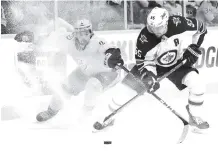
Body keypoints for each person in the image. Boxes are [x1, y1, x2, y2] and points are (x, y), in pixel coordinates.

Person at [95, 7, 209, 131]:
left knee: (197, 83)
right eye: (152, 27)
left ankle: (195, 115)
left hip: (177, 63)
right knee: (126, 91)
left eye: (159, 27)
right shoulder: (144, 37)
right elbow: (142, 62)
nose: (155, 30)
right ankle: (108, 117)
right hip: (152, 65)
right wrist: (149, 77)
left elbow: (201, 29)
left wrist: (194, 47)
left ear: (166, 22)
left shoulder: (179, 23)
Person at [35, 19, 124, 122]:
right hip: (85, 72)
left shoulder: (97, 41)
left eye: (86, 33)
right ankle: (51, 111)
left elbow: (110, 49)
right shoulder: (68, 41)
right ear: (75, 33)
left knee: (92, 85)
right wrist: (32, 37)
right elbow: (50, 39)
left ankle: (86, 114)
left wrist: (114, 55)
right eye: (79, 33)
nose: (83, 37)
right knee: (64, 87)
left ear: (90, 32)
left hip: (107, 73)